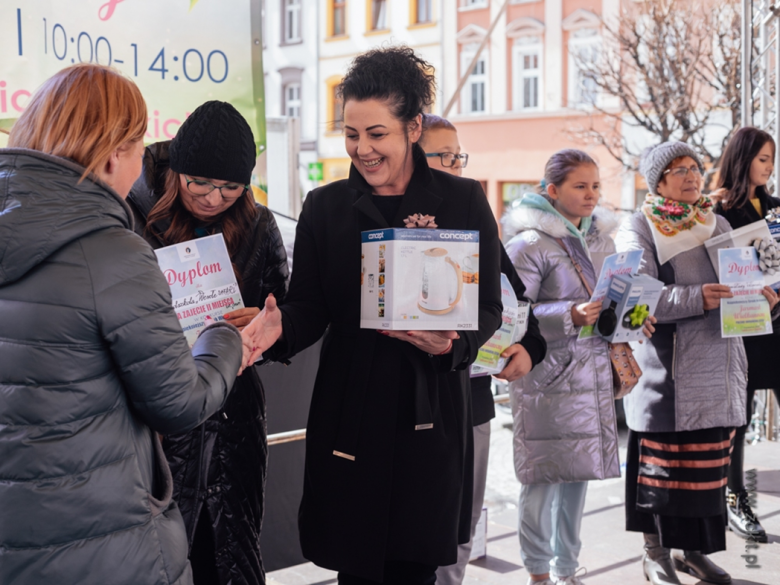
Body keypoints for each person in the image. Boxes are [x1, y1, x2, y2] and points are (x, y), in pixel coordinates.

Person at [244, 47, 503, 584]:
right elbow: (310, 308)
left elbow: (488, 307)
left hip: (429, 407)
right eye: (351, 133)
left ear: (413, 127)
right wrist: (279, 328)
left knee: (415, 568)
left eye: (377, 133)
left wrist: (452, 344)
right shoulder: (326, 206)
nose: (362, 149)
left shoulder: (463, 201)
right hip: (352, 407)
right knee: (356, 567)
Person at [0, 64, 262, 585]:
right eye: (140, 143)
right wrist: (226, 337)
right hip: (100, 537)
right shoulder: (112, 249)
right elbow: (179, 402)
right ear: (115, 150)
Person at [127, 100, 288, 585]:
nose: (215, 198)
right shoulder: (129, 217)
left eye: (230, 187)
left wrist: (268, 323)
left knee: (230, 556)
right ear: (176, 170)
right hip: (157, 420)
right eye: (200, 182)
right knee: (158, 560)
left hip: (232, 421)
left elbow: (285, 313)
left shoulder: (259, 225)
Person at [615, 141, 778, 585]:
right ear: (658, 180)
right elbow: (635, 297)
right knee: (661, 475)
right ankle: (655, 554)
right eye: (678, 169)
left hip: (722, 367)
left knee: (707, 474)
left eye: (695, 167)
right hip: (669, 376)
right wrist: (696, 298)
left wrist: (765, 297)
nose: (691, 176)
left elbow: (749, 283)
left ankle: (695, 553)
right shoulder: (639, 226)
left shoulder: (717, 221)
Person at [504, 149, 653, 585]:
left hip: (592, 377)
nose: (591, 195)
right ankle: (537, 572)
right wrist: (569, 313)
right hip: (547, 377)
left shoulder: (602, 240)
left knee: (577, 479)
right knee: (541, 479)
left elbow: (614, 303)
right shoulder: (528, 244)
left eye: (595, 186)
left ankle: (567, 569)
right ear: (552, 191)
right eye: (580, 186)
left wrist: (638, 314)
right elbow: (513, 312)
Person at [419, 114, 547, 585]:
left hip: (471, 401)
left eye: (458, 156)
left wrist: (529, 349)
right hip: (407, 403)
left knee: (459, 529)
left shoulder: (476, 217)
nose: (454, 165)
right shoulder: (389, 219)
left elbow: (517, 300)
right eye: (443, 156)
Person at [712, 127, 780, 543]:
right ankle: (735, 498)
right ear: (742, 159)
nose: (768, 167)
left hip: (778, 321)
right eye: (762, 159)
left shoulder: (776, 207)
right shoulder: (716, 209)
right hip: (744, 327)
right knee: (738, 417)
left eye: (772, 160)